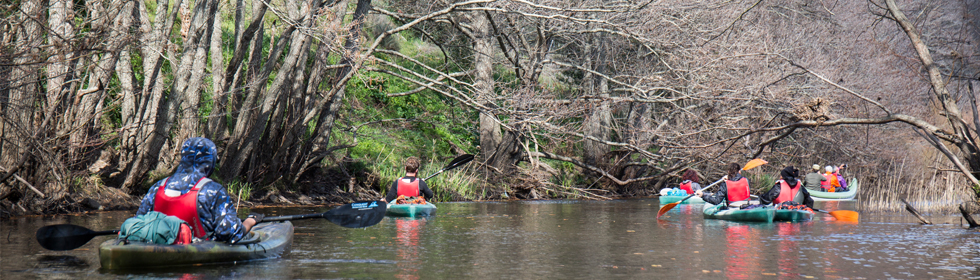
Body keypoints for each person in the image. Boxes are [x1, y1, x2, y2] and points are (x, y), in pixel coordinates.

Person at [134, 137, 260, 244]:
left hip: (157, 245)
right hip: (198, 251)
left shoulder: (158, 186)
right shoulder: (213, 190)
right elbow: (230, 233)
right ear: (210, 161)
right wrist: (250, 221)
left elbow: (139, 222)